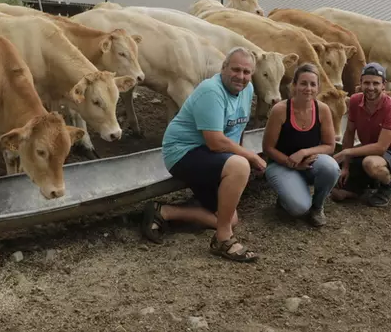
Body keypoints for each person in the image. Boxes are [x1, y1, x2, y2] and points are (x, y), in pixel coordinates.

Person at [140, 47, 267, 262]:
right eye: (236, 69)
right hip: (183, 153)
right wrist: (250, 157)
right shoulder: (211, 91)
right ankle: (223, 239)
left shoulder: (247, 90)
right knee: (240, 165)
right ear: (223, 68)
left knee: (231, 217)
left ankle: (164, 211)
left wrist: (236, 161)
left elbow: (237, 130)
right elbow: (216, 141)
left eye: (247, 72)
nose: (241, 76)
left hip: (210, 157)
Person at [261, 63, 341, 227]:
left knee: (331, 167)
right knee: (298, 209)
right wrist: (292, 163)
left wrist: (304, 152)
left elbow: (329, 146)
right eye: (303, 83)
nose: (308, 88)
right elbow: (268, 148)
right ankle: (287, 198)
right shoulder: (280, 110)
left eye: (313, 84)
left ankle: (318, 206)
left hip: (308, 161)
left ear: (318, 87)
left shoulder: (323, 109)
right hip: (280, 164)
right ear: (294, 86)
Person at [330, 62, 391, 207]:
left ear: (383, 85)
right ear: (360, 83)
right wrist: (346, 166)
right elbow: (349, 132)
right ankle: (366, 185)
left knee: (370, 163)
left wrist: (347, 152)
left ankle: (387, 186)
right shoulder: (354, 100)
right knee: (336, 192)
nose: (371, 88)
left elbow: (381, 148)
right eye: (366, 83)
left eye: (375, 83)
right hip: (366, 149)